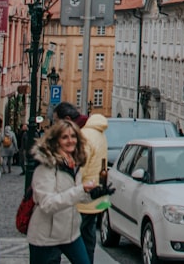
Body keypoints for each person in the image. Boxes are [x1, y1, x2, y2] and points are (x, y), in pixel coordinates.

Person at [27, 120, 104, 264]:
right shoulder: (45, 167)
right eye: (65, 137)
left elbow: (75, 196)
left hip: (70, 232)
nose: (70, 141)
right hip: (45, 236)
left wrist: (92, 194)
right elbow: (47, 204)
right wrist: (81, 189)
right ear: (56, 141)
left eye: (73, 136)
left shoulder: (73, 163)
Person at [75, 113, 109, 264]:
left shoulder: (85, 136)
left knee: (73, 237)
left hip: (84, 195)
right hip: (96, 196)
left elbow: (81, 165)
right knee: (89, 236)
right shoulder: (101, 135)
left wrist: (73, 188)